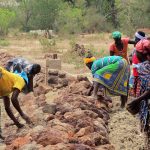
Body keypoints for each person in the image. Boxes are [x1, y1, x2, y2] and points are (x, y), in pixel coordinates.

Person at [127, 39, 150, 133]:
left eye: (137, 51)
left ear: (143, 54)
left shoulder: (146, 67)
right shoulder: (144, 65)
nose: (135, 53)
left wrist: (136, 101)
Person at [129, 31, 146, 97]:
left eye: (135, 39)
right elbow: (131, 57)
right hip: (135, 74)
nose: (134, 40)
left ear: (138, 40)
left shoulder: (143, 50)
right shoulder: (136, 49)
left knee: (140, 94)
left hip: (141, 75)